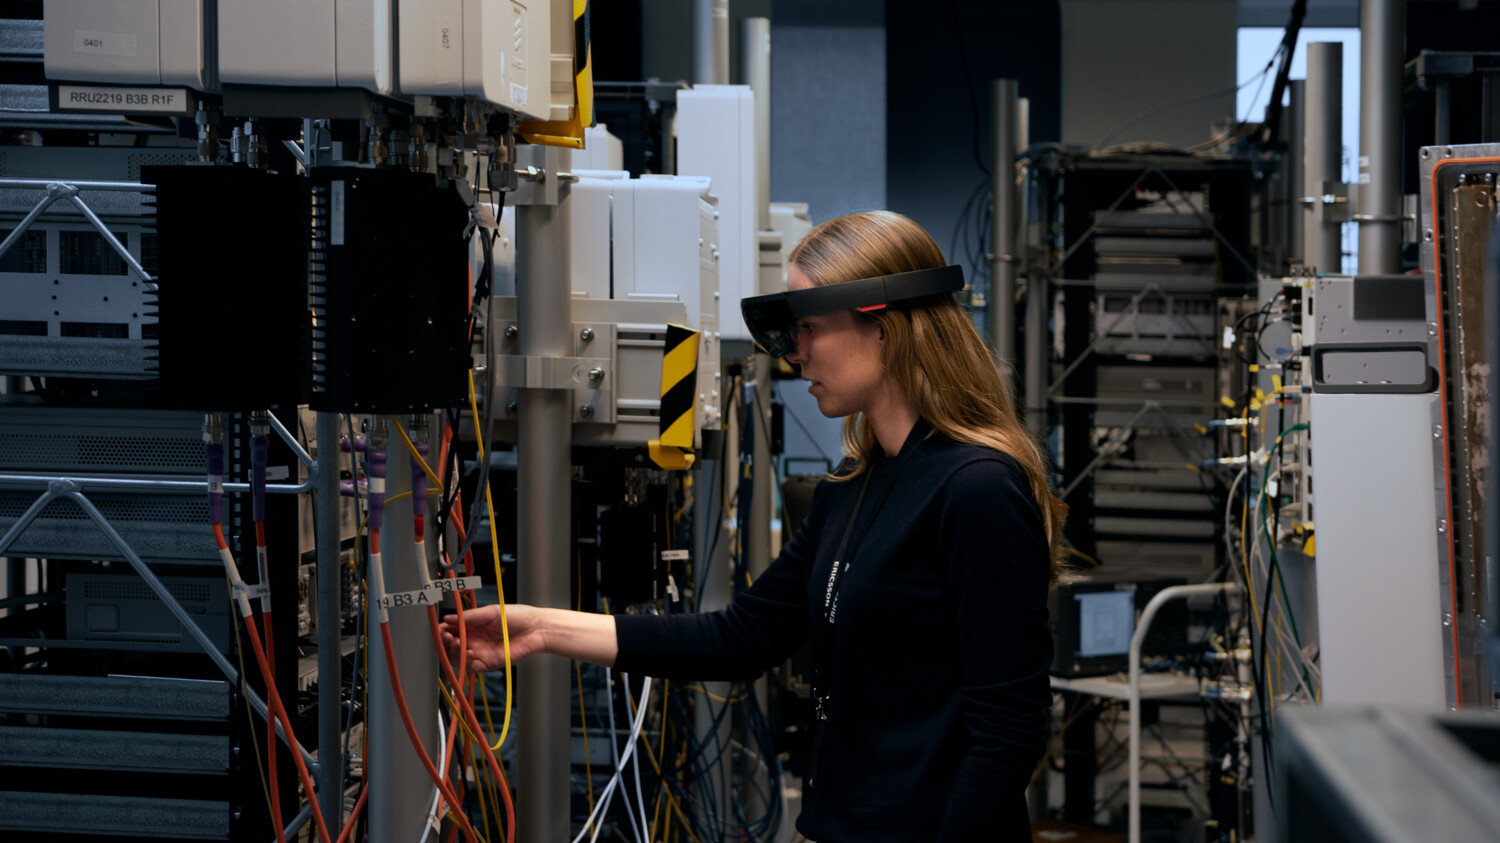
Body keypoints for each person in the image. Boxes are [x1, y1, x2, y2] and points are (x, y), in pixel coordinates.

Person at [443, 210, 1067, 842]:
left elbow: (1008, 732)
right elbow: (745, 635)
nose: (794, 352)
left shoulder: (977, 489)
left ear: (885, 327)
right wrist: (542, 628)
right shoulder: (857, 480)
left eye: (809, 328)